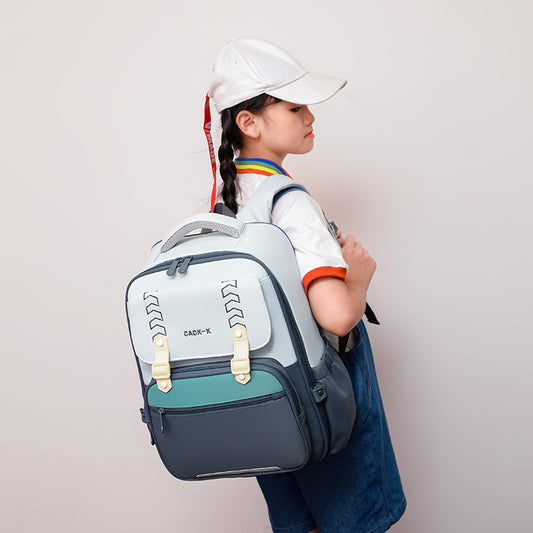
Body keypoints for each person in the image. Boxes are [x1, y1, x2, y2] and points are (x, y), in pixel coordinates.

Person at [206, 38, 406, 533]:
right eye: (294, 108)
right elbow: (336, 317)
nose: (310, 116)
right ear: (249, 122)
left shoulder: (222, 205)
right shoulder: (290, 203)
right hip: (320, 393)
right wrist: (358, 277)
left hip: (263, 399)